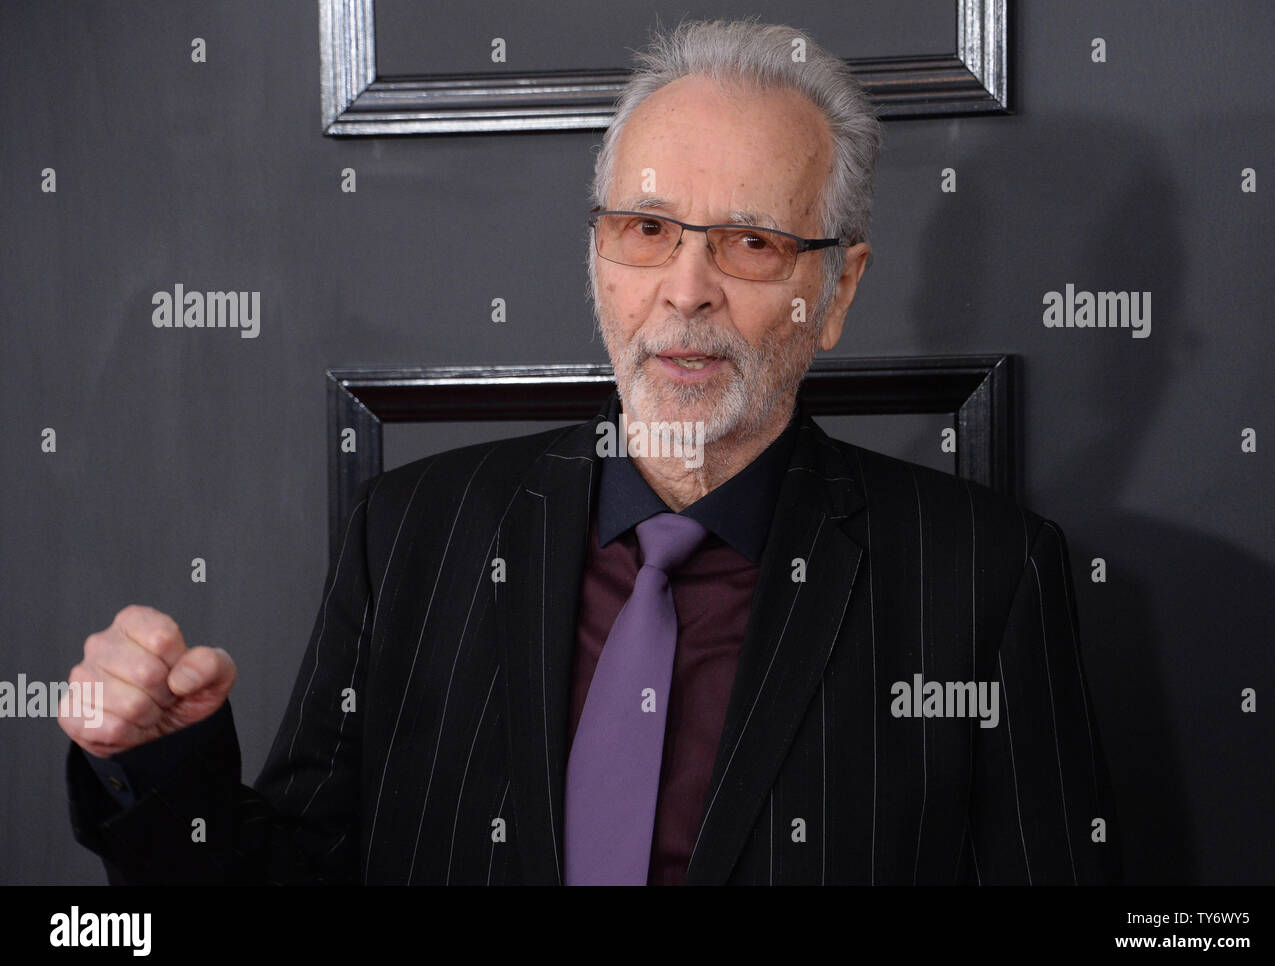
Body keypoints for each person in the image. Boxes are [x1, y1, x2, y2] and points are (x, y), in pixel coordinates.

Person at [60, 18, 1120, 885]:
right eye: (647, 229)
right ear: (598, 258)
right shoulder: (417, 534)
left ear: (834, 290)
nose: (686, 288)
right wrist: (155, 768)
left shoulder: (982, 578)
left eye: (750, 241)